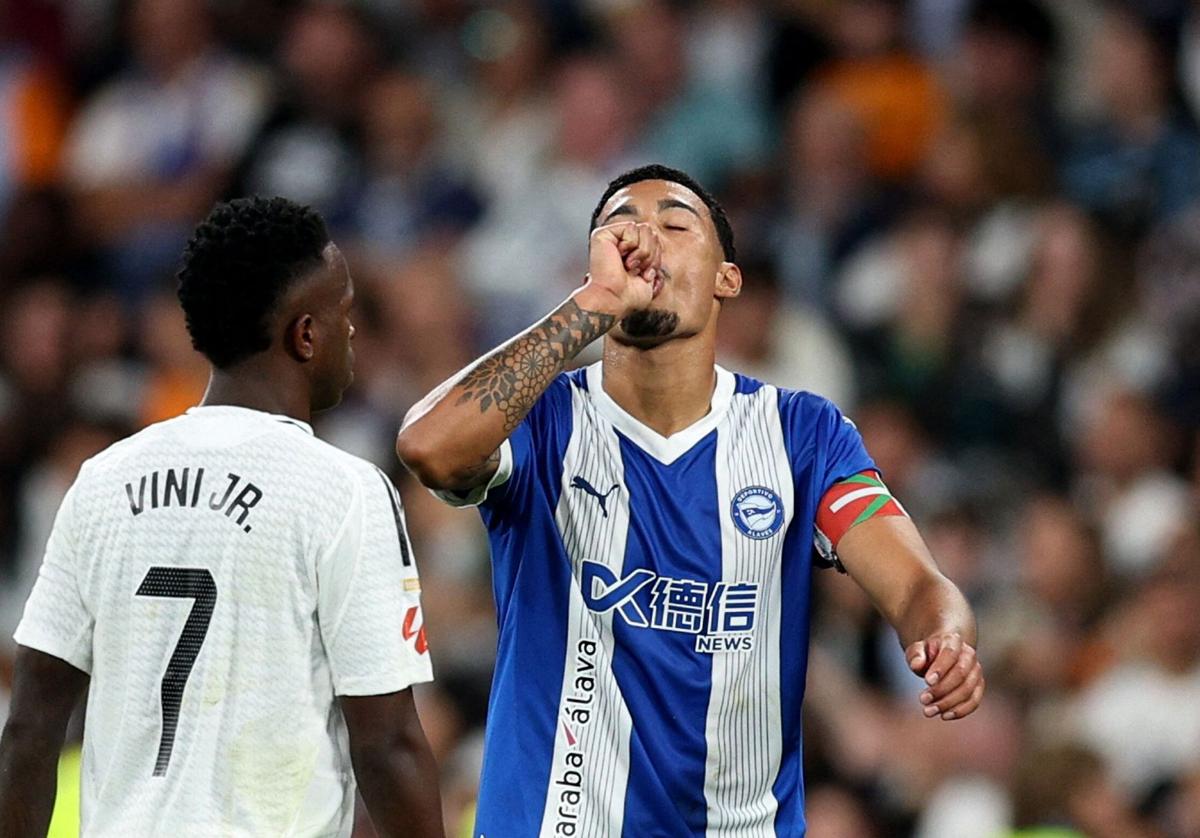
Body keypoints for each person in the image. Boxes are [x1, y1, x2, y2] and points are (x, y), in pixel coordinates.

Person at [397, 164, 985, 835]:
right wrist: (588, 306)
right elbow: (428, 446)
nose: (644, 242)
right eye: (621, 228)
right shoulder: (542, 419)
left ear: (725, 278)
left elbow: (915, 584)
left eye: (675, 225)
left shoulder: (802, 435)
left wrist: (945, 638)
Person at [0, 196, 444, 837]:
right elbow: (390, 742)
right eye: (343, 311)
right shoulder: (343, 491)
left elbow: (30, 725)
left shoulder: (102, 481)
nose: (352, 331)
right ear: (305, 334)